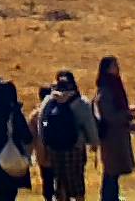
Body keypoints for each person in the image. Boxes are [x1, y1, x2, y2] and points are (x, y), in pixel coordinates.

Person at [40, 71, 100, 201]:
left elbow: (43, 121)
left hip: (54, 147)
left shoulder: (49, 101)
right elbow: (88, 123)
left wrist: (45, 142)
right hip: (75, 147)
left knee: (60, 182)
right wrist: (94, 142)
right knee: (77, 182)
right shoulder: (80, 102)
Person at [94, 56, 135, 201]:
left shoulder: (114, 86)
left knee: (115, 172)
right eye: (114, 66)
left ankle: (113, 197)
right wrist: (126, 114)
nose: (117, 68)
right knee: (111, 172)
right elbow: (109, 115)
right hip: (111, 138)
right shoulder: (105, 90)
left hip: (118, 136)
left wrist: (128, 112)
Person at [28, 86, 56, 201]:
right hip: (56, 151)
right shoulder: (55, 111)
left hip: (42, 153)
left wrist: (29, 154)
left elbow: (31, 136)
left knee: (47, 180)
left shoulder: (35, 115)